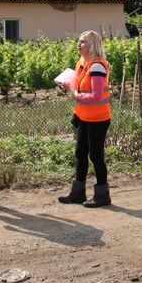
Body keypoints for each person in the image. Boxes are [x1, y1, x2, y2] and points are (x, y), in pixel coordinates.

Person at [57, 31, 112, 208]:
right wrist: (69, 86)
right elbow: (79, 86)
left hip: (98, 118)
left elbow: (96, 96)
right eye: (79, 42)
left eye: (82, 42)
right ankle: (78, 193)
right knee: (80, 154)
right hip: (84, 116)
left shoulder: (97, 66)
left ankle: (102, 195)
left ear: (92, 45)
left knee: (96, 156)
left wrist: (76, 96)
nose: (78, 45)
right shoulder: (82, 63)